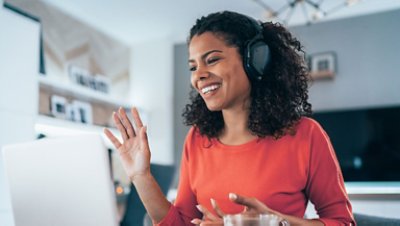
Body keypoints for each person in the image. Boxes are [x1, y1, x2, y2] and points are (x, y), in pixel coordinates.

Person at [104, 11, 356, 226]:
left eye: (212, 60)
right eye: (193, 67)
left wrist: (274, 221)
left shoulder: (305, 134)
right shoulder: (198, 139)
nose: (199, 76)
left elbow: (342, 221)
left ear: (255, 60)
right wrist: (141, 176)